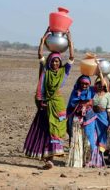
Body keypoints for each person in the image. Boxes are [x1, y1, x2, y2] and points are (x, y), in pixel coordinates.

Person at [23, 29, 74, 169]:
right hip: (46, 103)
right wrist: (42, 40)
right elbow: (40, 55)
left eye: (58, 61)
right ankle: (48, 160)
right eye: (53, 61)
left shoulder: (64, 71)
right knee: (45, 130)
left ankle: (51, 158)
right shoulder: (45, 71)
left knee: (56, 129)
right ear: (50, 62)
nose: (55, 63)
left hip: (58, 104)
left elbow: (71, 58)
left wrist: (69, 41)